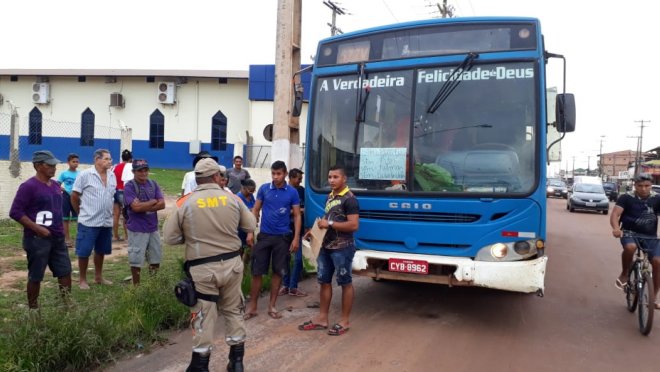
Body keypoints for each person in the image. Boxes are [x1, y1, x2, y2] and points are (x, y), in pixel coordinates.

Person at [164, 157, 256, 372]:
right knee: (233, 310)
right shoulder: (231, 198)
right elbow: (250, 224)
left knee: (204, 314)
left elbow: (169, 237)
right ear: (216, 177)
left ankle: (201, 365)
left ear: (197, 179)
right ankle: (237, 362)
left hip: (203, 269)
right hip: (232, 264)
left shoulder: (185, 202)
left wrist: (191, 238)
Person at [299, 165, 359, 336]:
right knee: (324, 281)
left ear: (344, 179)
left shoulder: (350, 199)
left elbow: (354, 225)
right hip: (326, 247)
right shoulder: (330, 196)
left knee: (345, 283)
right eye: (330, 177)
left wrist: (330, 224)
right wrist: (314, 231)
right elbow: (328, 219)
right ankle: (322, 318)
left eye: (335, 177)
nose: (331, 180)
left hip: (342, 248)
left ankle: (345, 321)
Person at [9, 150, 73, 309]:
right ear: (38, 166)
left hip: (58, 237)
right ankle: (33, 309)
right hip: (37, 239)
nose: (54, 168)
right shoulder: (28, 187)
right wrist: (37, 229)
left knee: (65, 271)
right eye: (49, 165)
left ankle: (67, 305)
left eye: (54, 164)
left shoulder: (57, 186)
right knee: (36, 275)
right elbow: (16, 212)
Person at [244, 160, 301, 320]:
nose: (275, 177)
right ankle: (253, 307)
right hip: (264, 236)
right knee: (257, 272)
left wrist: (296, 238)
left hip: (282, 238)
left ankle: (272, 306)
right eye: (273, 174)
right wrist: (250, 232)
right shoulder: (263, 189)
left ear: (285, 174)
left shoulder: (292, 192)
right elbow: (255, 210)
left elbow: (297, 215)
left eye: (279, 174)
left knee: (278, 272)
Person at [610, 172, 660, 309]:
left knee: (657, 261)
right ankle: (625, 273)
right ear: (635, 185)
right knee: (630, 247)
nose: (643, 189)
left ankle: (653, 297)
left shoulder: (657, 198)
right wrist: (616, 228)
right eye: (640, 186)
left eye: (647, 186)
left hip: (650, 236)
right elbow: (615, 214)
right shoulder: (626, 198)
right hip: (629, 233)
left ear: (651, 186)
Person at [71, 148, 116, 290]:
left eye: (110, 159)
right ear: (97, 160)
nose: (110, 161)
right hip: (88, 221)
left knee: (101, 250)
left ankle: (98, 276)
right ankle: (82, 279)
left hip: (106, 221)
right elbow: (74, 195)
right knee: (84, 251)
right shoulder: (85, 175)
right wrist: (79, 212)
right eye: (106, 159)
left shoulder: (112, 176)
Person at [124, 159, 165, 285]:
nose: (143, 173)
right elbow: (135, 208)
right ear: (133, 172)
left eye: (145, 170)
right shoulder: (129, 186)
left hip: (153, 228)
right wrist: (153, 202)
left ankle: (153, 284)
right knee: (136, 260)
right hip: (137, 228)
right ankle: (136, 286)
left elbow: (162, 204)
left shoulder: (153, 184)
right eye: (139, 170)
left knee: (155, 257)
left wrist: (143, 205)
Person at [280, 168, 308, 297]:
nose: (300, 181)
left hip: (299, 230)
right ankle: (286, 285)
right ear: (291, 178)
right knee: (285, 258)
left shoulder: (302, 191)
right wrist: (299, 211)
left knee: (297, 260)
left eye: (301, 179)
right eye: (298, 179)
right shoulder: (284, 191)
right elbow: (282, 211)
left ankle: (293, 287)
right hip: (286, 229)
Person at [57, 153, 80, 248]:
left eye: (77, 162)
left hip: (77, 197)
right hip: (66, 197)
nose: (75, 163)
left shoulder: (80, 174)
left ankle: (79, 238)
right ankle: (67, 239)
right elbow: (57, 184)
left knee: (79, 218)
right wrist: (62, 189)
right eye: (73, 161)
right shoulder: (64, 174)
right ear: (68, 162)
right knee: (65, 219)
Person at [112, 149, 132, 241]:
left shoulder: (116, 167)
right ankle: (127, 236)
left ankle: (115, 236)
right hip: (125, 192)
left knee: (116, 215)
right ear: (130, 158)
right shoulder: (131, 167)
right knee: (126, 215)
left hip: (116, 191)